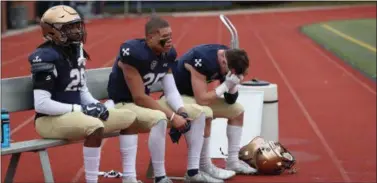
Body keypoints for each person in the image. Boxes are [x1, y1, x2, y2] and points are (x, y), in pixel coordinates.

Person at [107, 16, 224, 183]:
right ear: (149, 38)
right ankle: (160, 177)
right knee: (160, 118)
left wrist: (181, 111)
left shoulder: (167, 54)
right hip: (123, 103)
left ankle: (193, 172)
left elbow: (170, 90)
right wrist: (172, 116)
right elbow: (139, 97)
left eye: (170, 36)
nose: (168, 41)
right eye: (164, 37)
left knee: (200, 113)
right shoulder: (133, 54)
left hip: (143, 103)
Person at [28, 5, 137, 183]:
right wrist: (80, 109)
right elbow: (42, 104)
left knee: (129, 118)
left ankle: (130, 178)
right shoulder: (45, 56)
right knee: (95, 126)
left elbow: (82, 90)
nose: (77, 30)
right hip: (48, 120)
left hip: (72, 114)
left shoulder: (75, 50)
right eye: (69, 27)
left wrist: (96, 105)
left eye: (77, 25)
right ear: (53, 31)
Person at [170, 44, 258, 179]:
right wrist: (226, 85)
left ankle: (233, 161)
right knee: (206, 113)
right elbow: (201, 100)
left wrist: (233, 85)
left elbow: (230, 101)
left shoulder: (229, 57)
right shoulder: (201, 59)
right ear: (223, 62)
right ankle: (205, 165)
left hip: (195, 96)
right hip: (179, 96)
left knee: (237, 111)